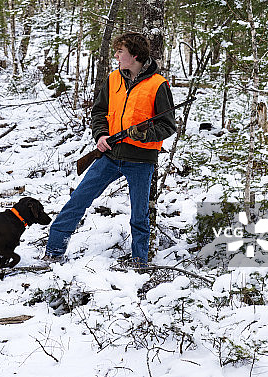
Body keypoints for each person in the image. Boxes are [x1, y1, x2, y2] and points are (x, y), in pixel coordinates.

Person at [44, 32, 177, 266]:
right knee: (78, 200)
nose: (116, 55)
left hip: (140, 161)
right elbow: (99, 112)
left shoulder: (158, 85)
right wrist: (101, 135)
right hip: (109, 155)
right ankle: (53, 252)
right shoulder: (114, 78)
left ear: (134, 55)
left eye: (120, 52)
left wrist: (144, 134)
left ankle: (139, 262)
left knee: (139, 216)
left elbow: (168, 126)